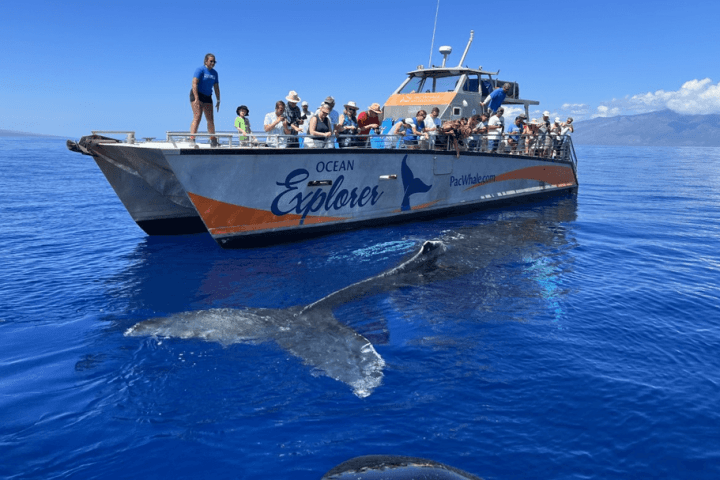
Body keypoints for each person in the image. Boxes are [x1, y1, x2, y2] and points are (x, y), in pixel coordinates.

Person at [190, 53, 221, 147]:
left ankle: (213, 140)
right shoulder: (200, 70)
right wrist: (196, 98)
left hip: (207, 96)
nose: (212, 63)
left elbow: (216, 87)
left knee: (210, 119)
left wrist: (218, 100)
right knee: (197, 116)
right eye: (211, 61)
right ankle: (192, 139)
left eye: (214, 61)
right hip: (197, 94)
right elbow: (194, 83)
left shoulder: (215, 73)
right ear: (206, 61)